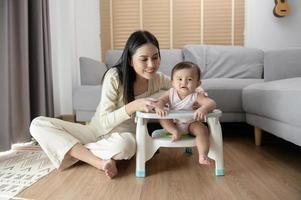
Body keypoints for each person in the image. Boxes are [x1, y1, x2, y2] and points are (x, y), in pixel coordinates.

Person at [29, 30, 172, 179]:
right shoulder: (115, 76)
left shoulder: (158, 79)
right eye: (144, 59)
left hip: (124, 137)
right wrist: (132, 106)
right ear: (130, 60)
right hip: (94, 132)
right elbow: (104, 122)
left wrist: (163, 99)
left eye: (155, 58)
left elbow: (185, 88)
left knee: (126, 146)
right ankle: (98, 162)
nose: (151, 64)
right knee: (37, 124)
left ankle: (72, 150)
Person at [154, 61, 216, 165]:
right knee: (162, 117)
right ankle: (174, 132)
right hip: (173, 123)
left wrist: (203, 109)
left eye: (189, 79)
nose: (184, 82)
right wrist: (160, 107)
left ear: (197, 83)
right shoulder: (171, 93)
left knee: (203, 130)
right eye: (179, 79)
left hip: (190, 125)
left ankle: (203, 155)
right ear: (172, 82)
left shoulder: (196, 95)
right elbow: (160, 101)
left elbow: (211, 103)